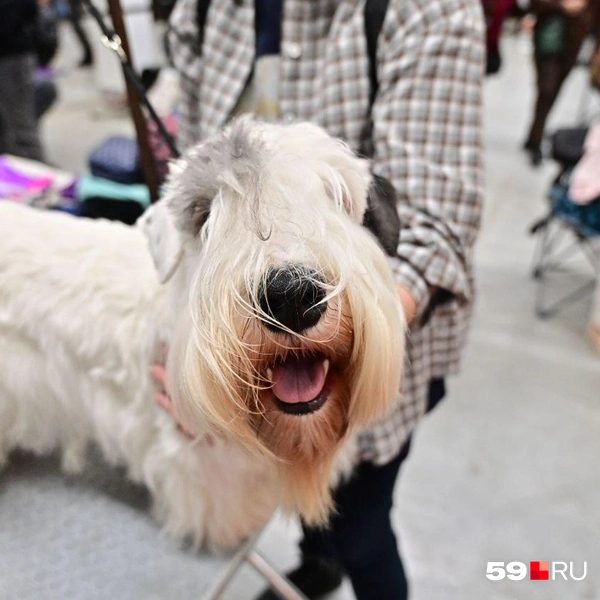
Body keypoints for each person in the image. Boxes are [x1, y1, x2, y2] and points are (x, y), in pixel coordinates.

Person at [163, 1, 485, 598]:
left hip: (399, 333)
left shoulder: (428, 10)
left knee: (362, 523)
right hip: (249, 333)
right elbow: (191, 201)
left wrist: (361, 326)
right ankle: (318, 564)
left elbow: (435, 227)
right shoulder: (201, 10)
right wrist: (181, 347)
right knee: (305, 510)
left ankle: (351, 564)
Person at [523, 0, 590, 166]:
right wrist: (562, 7)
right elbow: (535, 4)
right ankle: (536, 139)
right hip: (548, 40)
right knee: (547, 89)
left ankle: (535, 134)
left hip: (572, 45)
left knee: (553, 92)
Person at [0, 0, 44, 161]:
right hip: (12, 54)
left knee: (21, 130)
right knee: (10, 127)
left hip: (11, 57)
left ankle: (38, 176)